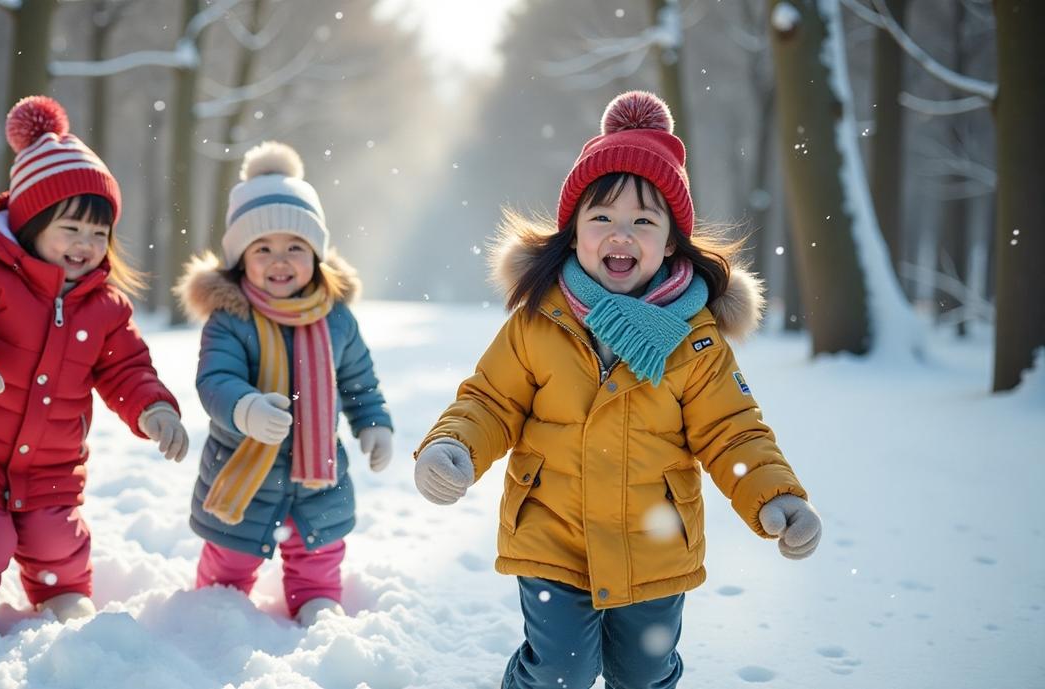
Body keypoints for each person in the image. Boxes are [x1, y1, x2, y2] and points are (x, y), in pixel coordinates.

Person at [413, 91, 822, 689]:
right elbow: (491, 400)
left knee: (644, 672)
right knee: (559, 670)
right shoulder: (540, 319)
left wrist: (773, 496)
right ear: (573, 232)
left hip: (655, 541)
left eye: (643, 221)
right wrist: (454, 446)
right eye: (600, 218)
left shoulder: (695, 339)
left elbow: (731, 430)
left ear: (672, 242)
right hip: (553, 532)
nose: (620, 234)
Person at [0, 95, 189, 636]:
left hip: (50, 461)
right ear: (30, 224)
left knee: (56, 538)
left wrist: (153, 409)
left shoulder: (106, 306)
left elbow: (127, 367)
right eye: (71, 230)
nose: (86, 245)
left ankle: (61, 596)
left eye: (98, 234)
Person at [176, 141, 393, 627]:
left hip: (319, 469)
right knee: (231, 549)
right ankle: (218, 605)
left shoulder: (336, 319)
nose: (280, 260)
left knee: (319, 545)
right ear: (241, 259)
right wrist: (246, 407)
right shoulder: (231, 319)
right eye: (263, 248)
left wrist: (374, 424)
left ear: (316, 256)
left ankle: (316, 599)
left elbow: (360, 381)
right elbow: (215, 379)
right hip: (244, 467)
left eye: (295, 247)